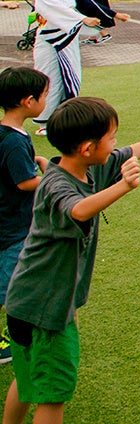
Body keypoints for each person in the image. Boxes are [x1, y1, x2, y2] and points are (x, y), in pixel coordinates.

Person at [4, 98, 140, 424]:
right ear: (88, 148)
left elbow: (134, 150)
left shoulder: (86, 167)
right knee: (53, 395)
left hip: (26, 301)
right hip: (44, 311)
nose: (117, 143)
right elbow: (78, 210)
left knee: (26, 380)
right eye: (112, 137)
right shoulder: (57, 184)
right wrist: (124, 185)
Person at [0, 68, 49, 366]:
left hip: (6, 220)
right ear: (29, 102)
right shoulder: (15, 141)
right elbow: (24, 182)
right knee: (11, 284)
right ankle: (11, 338)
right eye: (44, 96)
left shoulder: (7, 133)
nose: (46, 100)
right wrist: (52, 176)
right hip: (13, 225)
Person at [30, 0, 106, 135]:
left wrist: (109, 16)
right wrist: (83, 19)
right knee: (50, 79)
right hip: (50, 39)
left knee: (67, 78)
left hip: (65, 38)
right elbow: (59, 11)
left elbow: (79, 5)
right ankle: (45, 122)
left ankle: (62, 120)